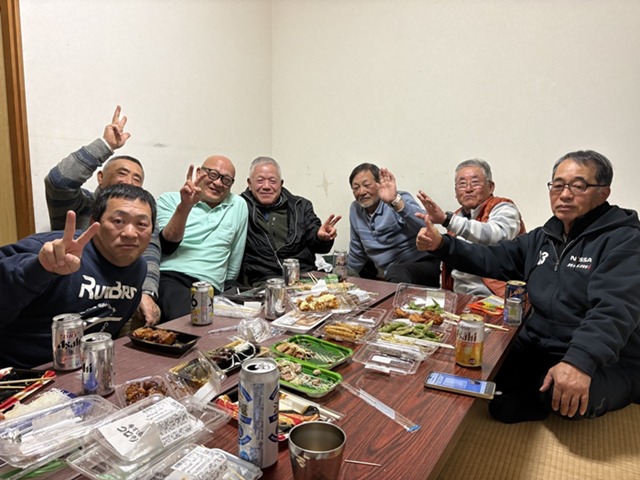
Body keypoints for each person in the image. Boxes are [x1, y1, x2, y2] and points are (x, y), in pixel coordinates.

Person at [416, 150, 640, 423]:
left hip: (603, 356)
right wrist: (442, 245)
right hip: (539, 345)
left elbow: (614, 310)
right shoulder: (545, 236)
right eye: (558, 185)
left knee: (565, 398)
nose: (565, 194)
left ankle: (629, 383)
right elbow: (494, 258)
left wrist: (579, 362)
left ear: (603, 192)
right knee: (482, 372)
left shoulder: (624, 240)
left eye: (578, 186)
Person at [0, 184, 155, 368]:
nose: (130, 233)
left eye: (141, 224)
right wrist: (38, 270)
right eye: (118, 221)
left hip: (85, 369)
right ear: (93, 223)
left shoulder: (139, 268)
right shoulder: (52, 251)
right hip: (18, 372)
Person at [44, 106, 161, 325]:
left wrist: (146, 293)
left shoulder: (141, 216)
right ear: (100, 177)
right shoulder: (79, 203)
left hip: (120, 301)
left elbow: (150, 254)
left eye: (137, 179)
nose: (129, 182)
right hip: (66, 301)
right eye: (122, 173)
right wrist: (106, 146)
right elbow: (58, 182)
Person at [157, 156, 248, 322]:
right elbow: (167, 245)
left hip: (212, 286)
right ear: (199, 172)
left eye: (226, 180)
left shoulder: (238, 205)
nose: (218, 183)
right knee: (189, 319)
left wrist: (226, 285)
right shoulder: (169, 199)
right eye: (213, 174)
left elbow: (235, 257)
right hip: (173, 277)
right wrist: (185, 206)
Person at [417, 159, 525, 296]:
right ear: (455, 191)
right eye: (462, 184)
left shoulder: (504, 208)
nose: (468, 189)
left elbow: (497, 236)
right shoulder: (458, 216)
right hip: (458, 295)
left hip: (495, 296)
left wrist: (447, 220)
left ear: (491, 187)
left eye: (475, 182)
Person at [240, 156, 341, 287]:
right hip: (263, 281)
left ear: (281, 184)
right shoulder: (239, 208)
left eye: (272, 181)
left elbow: (319, 246)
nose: (266, 186)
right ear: (249, 183)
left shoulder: (301, 206)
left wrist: (322, 238)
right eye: (260, 181)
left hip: (304, 277)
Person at [347, 163, 440, 286]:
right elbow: (357, 251)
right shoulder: (355, 209)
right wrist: (343, 278)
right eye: (356, 188)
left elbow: (426, 226)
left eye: (367, 185)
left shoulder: (398, 199)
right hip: (390, 271)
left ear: (379, 184)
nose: (362, 192)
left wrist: (395, 202)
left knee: (395, 272)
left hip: (421, 264)